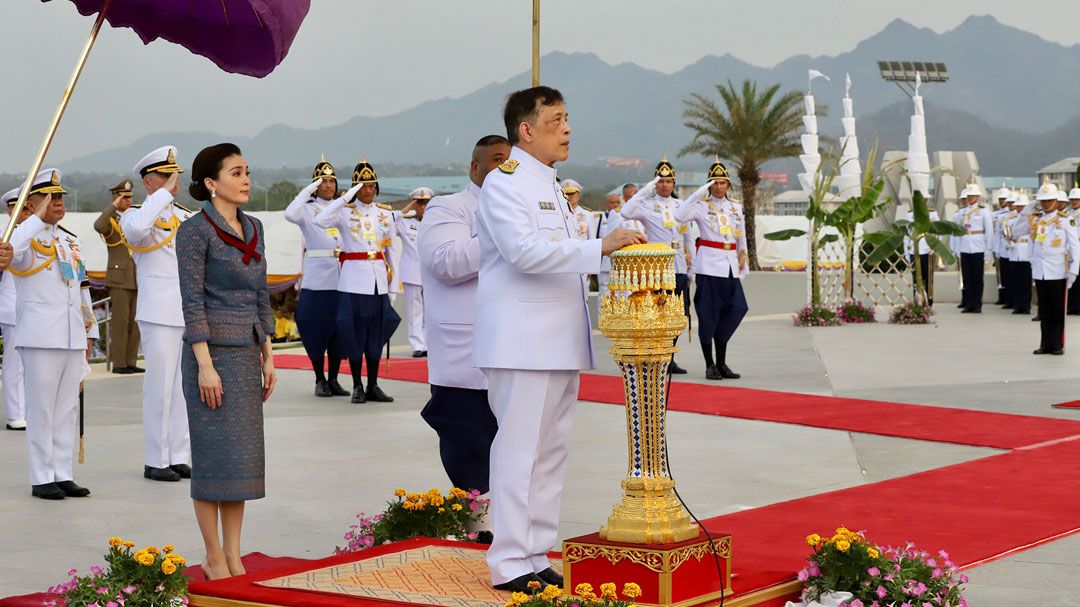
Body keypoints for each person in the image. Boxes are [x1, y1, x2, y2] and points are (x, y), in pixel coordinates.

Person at [475, 85, 645, 592]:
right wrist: (600, 247)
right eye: (556, 119)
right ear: (526, 130)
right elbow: (524, 253)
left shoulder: (549, 184)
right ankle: (507, 561)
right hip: (521, 340)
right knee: (518, 452)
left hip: (557, 338)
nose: (567, 128)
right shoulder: (505, 183)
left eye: (568, 118)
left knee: (550, 452)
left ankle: (534, 552)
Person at [176, 143, 276, 579]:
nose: (246, 180)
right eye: (236, 173)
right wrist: (205, 364)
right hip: (210, 356)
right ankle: (213, 554)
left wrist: (269, 356)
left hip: (247, 355)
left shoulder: (253, 226)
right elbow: (192, 301)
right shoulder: (194, 232)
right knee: (213, 458)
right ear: (212, 183)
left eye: (247, 172)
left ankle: (235, 555)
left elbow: (261, 296)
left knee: (240, 461)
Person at [417, 135, 510, 530]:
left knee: (512, 456)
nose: (506, 168)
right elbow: (445, 262)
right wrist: (502, 234)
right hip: (464, 358)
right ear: (475, 168)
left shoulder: (523, 210)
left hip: (513, 353)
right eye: (496, 160)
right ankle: (480, 535)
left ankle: (509, 536)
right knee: (470, 454)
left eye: (512, 162)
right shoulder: (448, 208)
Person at [9, 169, 98, 499]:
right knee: (41, 408)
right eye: (49, 197)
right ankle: (41, 475)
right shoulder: (23, 236)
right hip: (40, 337)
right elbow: (11, 248)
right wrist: (32, 219)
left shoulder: (68, 240)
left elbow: (80, 289)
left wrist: (91, 331)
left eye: (59, 197)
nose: (57, 202)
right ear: (31, 204)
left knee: (65, 409)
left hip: (71, 335)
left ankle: (62, 471)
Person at [121, 145, 192, 482]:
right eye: (164, 176)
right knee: (159, 388)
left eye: (173, 175)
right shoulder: (135, 215)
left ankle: (177, 454)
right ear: (148, 182)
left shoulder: (183, 216)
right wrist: (161, 196)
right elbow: (136, 231)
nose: (172, 181)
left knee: (181, 389)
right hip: (159, 311)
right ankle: (155, 458)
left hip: (184, 311)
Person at [314, 159, 401, 404]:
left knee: (375, 337)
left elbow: (393, 251)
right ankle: (357, 385)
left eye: (371, 185)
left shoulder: (384, 213)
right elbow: (319, 221)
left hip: (378, 284)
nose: (368, 190)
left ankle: (373, 384)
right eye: (362, 186)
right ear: (354, 188)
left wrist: (393, 287)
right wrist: (345, 197)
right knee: (354, 336)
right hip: (353, 283)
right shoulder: (343, 213)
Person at [674, 159, 749, 380]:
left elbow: (741, 236)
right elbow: (680, 216)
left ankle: (722, 362)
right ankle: (710, 364)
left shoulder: (735, 207)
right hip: (708, 267)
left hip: (729, 267)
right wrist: (699, 193)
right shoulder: (701, 206)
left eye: (722, 182)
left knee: (736, 309)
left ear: (728, 185)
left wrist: (743, 263)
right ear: (709, 185)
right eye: (714, 183)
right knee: (708, 316)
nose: (718, 187)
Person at [620, 157, 694, 374]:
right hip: (658, 269)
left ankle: (669, 357)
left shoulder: (681, 206)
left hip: (679, 265)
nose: (665, 185)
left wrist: (693, 269)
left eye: (668, 181)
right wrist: (647, 188)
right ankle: (654, 355)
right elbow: (626, 211)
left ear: (674, 183)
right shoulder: (646, 205)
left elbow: (689, 237)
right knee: (656, 313)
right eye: (660, 181)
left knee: (677, 314)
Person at [283, 158, 349, 397]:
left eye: (332, 181)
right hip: (318, 278)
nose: (329, 185)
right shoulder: (307, 210)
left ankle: (334, 379)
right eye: (323, 181)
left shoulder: (343, 208)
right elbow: (289, 214)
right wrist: (308, 190)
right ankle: (319, 378)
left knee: (339, 330)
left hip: (342, 277)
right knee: (316, 328)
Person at [1011, 182, 1079, 354]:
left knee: (1057, 310)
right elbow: (1016, 232)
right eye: (1043, 200)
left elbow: (1075, 247)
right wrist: (1026, 211)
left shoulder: (1065, 220)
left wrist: (1073, 271)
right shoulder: (1035, 219)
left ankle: (1057, 345)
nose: (1046, 203)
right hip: (1040, 270)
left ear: (1056, 201)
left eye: (1049, 200)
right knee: (1045, 310)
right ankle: (1045, 344)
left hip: (1057, 270)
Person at [93, 179, 143, 374]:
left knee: (135, 322)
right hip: (119, 277)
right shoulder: (111, 219)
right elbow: (98, 225)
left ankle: (130, 361)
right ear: (116, 198)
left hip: (137, 276)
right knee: (120, 323)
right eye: (123, 197)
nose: (128, 201)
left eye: (130, 197)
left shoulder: (134, 217)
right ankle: (119, 363)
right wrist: (113, 206)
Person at [1, 188, 27, 430]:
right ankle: (15, 413)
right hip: (10, 305)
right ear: (10, 210)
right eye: (18, 207)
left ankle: (25, 409)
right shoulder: (4, 235)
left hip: (31, 308)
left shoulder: (37, 234)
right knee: (14, 362)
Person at [396, 187, 432, 357]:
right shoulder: (406, 223)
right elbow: (389, 223)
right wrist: (408, 208)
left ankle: (429, 343)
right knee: (414, 312)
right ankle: (417, 344)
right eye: (419, 203)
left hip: (432, 274)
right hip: (412, 274)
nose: (422, 206)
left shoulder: (435, 223)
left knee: (430, 311)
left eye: (425, 203)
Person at [952, 185, 993, 313]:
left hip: (978, 246)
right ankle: (969, 304)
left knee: (977, 278)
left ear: (977, 197)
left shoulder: (983, 212)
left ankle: (977, 304)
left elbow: (989, 231)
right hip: (965, 246)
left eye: (972, 196)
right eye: (968, 196)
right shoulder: (962, 213)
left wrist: (988, 249)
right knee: (967, 278)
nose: (970, 198)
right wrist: (957, 248)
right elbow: (958, 232)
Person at [596, 184, 643, 294]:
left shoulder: (640, 213)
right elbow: (611, 239)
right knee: (610, 298)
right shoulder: (617, 213)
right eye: (633, 195)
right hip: (618, 265)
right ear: (625, 197)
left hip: (635, 266)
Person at [903, 202, 941, 306]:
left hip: (927, 251)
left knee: (928, 279)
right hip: (914, 251)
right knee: (916, 279)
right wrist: (906, 252)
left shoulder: (932, 214)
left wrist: (935, 248)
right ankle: (917, 301)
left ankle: (929, 302)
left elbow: (938, 232)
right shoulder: (910, 215)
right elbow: (906, 236)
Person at [1005, 193, 1033, 315]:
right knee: (1016, 281)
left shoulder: (1032, 219)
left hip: (1026, 252)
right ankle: (1018, 306)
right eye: (1018, 206)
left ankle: (1026, 306)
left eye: (1022, 206)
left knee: (1026, 282)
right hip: (1015, 251)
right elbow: (1006, 234)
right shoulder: (1011, 219)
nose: (1020, 208)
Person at [990, 188, 1011, 306]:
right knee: (1000, 273)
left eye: (1004, 199)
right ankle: (1001, 296)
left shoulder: (1010, 214)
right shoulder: (993, 214)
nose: (1002, 201)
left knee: (1008, 274)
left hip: (1008, 246)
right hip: (998, 246)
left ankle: (1008, 297)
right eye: (1000, 199)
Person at [1067, 186, 1080, 315]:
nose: (1074, 202)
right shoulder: (1067, 213)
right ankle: (1071, 305)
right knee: (1071, 279)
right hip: (1069, 251)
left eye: (1077, 199)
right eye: (1072, 199)